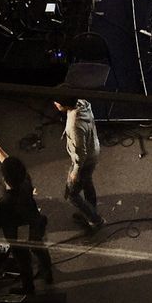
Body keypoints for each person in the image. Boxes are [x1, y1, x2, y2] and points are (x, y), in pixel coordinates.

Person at [0, 136, 53, 289]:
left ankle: (28, 288)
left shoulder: (4, 202)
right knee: (40, 250)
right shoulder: (26, 182)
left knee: (24, 262)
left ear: (4, 179)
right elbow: (10, 165)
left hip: (18, 237)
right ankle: (48, 275)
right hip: (33, 225)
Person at [53, 97, 104, 232]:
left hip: (85, 160)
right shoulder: (83, 104)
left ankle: (94, 219)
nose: (55, 103)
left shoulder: (75, 126)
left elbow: (81, 153)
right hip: (93, 151)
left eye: (57, 101)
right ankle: (91, 210)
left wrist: (75, 171)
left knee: (71, 193)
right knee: (87, 181)